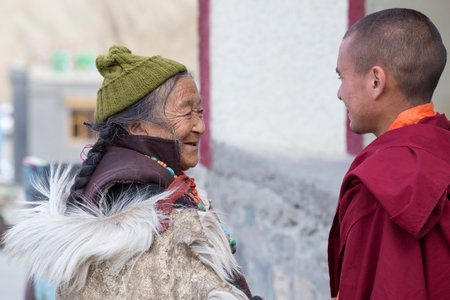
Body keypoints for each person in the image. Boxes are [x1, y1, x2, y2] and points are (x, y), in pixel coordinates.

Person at [5, 45, 259, 299]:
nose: (200, 126)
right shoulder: (147, 201)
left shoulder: (138, 181)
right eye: (186, 111)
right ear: (137, 125)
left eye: (200, 111)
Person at [328, 8, 449, 299]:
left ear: (376, 82)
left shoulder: (380, 188)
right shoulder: (443, 147)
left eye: (341, 77)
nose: (340, 93)